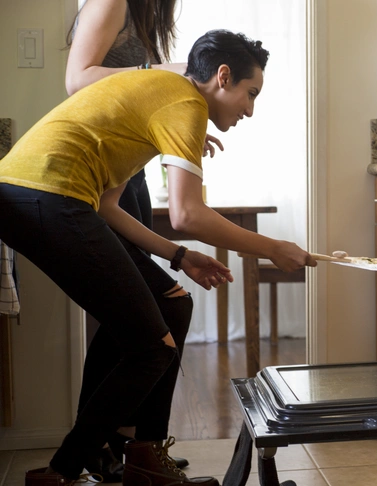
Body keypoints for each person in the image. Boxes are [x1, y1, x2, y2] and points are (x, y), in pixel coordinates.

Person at [0, 29, 315, 486]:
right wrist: (273, 248)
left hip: (38, 197)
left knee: (173, 304)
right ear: (222, 77)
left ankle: (144, 455)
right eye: (251, 94)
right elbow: (188, 213)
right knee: (152, 347)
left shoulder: (160, 96)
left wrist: (179, 256)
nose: (250, 109)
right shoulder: (185, 103)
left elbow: (109, 206)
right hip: (47, 196)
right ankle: (59, 473)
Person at [64, 0, 221, 479]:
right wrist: (166, 72)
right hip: (93, 166)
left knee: (132, 313)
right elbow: (77, 79)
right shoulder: (112, 1)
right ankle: (115, 445)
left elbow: (132, 94)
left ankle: (129, 443)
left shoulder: (153, 13)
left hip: (124, 170)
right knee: (139, 308)